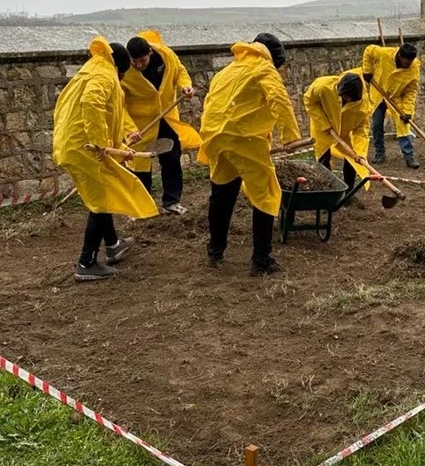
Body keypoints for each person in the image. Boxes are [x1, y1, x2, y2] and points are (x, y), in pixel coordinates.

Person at [52, 37, 159, 281]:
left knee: (105, 192)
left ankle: (113, 244)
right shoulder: (105, 75)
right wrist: (101, 144)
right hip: (85, 149)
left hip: (74, 144)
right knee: (101, 200)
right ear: (120, 68)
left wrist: (118, 147)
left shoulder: (90, 70)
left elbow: (96, 115)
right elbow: (92, 104)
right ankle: (86, 263)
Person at [197, 33, 302, 275]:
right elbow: (279, 99)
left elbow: (212, 102)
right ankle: (261, 260)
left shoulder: (228, 70)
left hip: (216, 138)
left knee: (222, 194)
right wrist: (290, 136)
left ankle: (215, 251)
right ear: (274, 58)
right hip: (243, 139)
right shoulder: (264, 69)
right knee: (265, 193)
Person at [121, 31, 201, 216]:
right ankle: (141, 207)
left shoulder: (166, 56)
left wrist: (185, 86)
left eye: (142, 60)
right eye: (135, 62)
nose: (139, 65)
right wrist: (130, 129)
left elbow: (180, 71)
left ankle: (171, 202)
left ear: (150, 53)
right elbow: (120, 105)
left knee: (172, 158)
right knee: (140, 165)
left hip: (166, 117)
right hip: (140, 125)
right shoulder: (124, 71)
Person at [303, 71, 372, 197]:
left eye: (350, 99)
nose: (347, 100)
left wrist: (360, 153)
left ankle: (348, 193)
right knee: (323, 158)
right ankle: (326, 193)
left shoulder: (362, 105)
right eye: (345, 97)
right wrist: (324, 124)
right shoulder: (322, 87)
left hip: (344, 130)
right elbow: (309, 100)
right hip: (322, 127)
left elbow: (362, 131)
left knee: (352, 159)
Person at [361, 42, 421, 169]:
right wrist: (367, 70)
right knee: (377, 124)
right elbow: (368, 50)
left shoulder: (414, 67)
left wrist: (408, 111)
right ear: (399, 56)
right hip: (378, 93)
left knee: (403, 124)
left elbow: (411, 90)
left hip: (396, 97)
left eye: (411, 62)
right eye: (406, 62)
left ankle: (409, 157)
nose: (408, 65)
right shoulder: (384, 54)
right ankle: (379, 153)